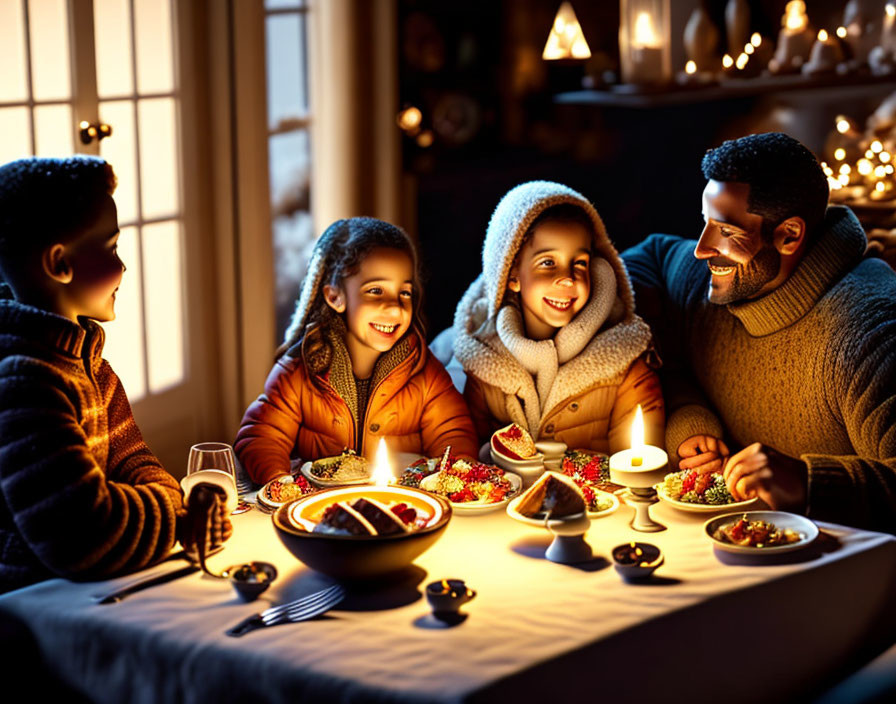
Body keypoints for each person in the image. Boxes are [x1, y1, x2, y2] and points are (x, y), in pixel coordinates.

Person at [621, 132, 896, 533]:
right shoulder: (712, 280)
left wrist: (808, 482)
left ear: (789, 236)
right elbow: (651, 255)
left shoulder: (868, 333)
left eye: (727, 232)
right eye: (705, 224)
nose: (701, 249)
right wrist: (687, 414)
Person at [0, 156, 228, 594]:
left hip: (93, 595)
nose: (123, 267)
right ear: (59, 263)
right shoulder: (24, 385)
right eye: (110, 249)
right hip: (37, 613)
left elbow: (136, 461)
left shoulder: (92, 367)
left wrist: (177, 508)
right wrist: (178, 518)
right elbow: (83, 534)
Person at [235, 217, 478, 485]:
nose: (396, 308)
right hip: (323, 512)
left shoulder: (425, 372)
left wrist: (456, 476)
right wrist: (278, 480)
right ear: (335, 297)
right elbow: (262, 435)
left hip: (402, 510)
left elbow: (453, 432)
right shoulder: (299, 371)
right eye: (376, 291)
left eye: (405, 293)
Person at [452, 180, 664, 456]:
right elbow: (468, 456)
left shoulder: (625, 358)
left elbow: (641, 463)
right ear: (512, 275)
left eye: (579, 263)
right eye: (548, 263)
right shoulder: (484, 362)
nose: (567, 279)